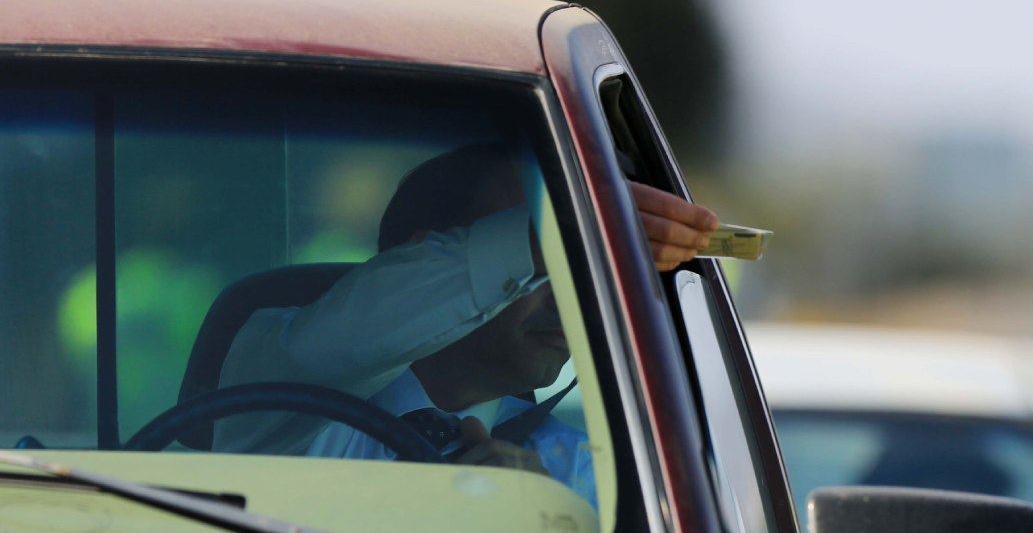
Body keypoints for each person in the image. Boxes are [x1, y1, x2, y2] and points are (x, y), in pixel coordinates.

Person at [213, 142, 718, 506]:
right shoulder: (279, 386)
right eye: (536, 269)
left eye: (583, 269)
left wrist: (543, 530)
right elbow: (320, 352)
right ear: (423, 260)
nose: (571, 299)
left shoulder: (583, 483)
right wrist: (548, 232)